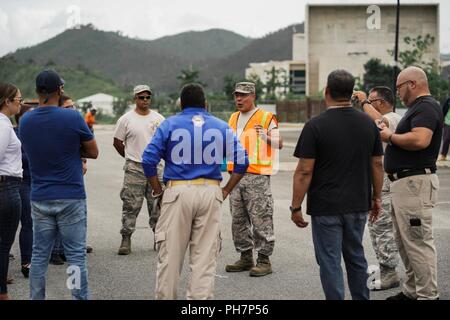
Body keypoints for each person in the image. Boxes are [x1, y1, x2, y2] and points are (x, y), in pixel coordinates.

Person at [141, 83, 248, 299]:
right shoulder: (221, 126)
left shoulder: (169, 124)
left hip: (178, 190)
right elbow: (242, 161)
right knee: (204, 259)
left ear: (181, 103)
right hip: (210, 191)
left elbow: (148, 160)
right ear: (205, 103)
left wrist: (157, 190)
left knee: (170, 256)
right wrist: (226, 189)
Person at [291, 70, 384, 300]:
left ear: (327, 92)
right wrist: (377, 197)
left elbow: (304, 170)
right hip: (357, 204)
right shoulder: (368, 124)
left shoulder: (315, 126)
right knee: (356, 256)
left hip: (326, 207)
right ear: (352, 94)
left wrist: (295, 207)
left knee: (329, 261)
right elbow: (377, 164)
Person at [19, 69, 98, 300]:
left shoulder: (26, 121)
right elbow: (93, 151)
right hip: (70, 195)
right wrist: (74, 149)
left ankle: (36, 297)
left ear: (37, 91)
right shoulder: (72, 117)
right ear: (59, 90)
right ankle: (78, 297)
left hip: (40, 196)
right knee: (75, 257)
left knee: (39, 255)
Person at [379, 66, 443, 300]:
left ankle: (427, 295)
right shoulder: (417, 108)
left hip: (414, 183)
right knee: (405, 241)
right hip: (405, 183)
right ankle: (413, 291)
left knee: (417, 241)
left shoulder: (425, 106)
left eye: (399, 88)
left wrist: (390, 137)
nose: (397, 93)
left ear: (412, 84)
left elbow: (420, 139)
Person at [225, 82, 283, 277]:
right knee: (238, 220)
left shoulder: (266, 117)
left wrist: (266, 137)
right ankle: (245, 256)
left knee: (261, 219)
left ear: (253, 96)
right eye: (237, 95)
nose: (239, 99)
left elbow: (279, 143)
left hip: (257, 176)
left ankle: (264, 260)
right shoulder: (233, 117)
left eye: (243, 95)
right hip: (235, 177)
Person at [352, 87, 402, 290]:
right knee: (376, 227)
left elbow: (380, 125)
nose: (366, 106)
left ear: (380, 103)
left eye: (371, 103)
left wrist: (364, 102)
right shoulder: (377, 119)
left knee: (382, 228)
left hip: (386, 184)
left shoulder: (392, 118)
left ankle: (390, 272)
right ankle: (386, 267)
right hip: (375, 182)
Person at [113, 85, 165, 255]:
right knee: (130, 204)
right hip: (135, 167)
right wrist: (130, 157)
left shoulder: (159, 119)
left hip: (156, 167)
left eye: (147, 97)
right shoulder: (126, 119)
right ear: (134, 98)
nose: (145, 100)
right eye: (141, 97)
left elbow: (166, 143)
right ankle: (126, 238)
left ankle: (159, 238)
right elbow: (117, 142)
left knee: (158, 204)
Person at [0, 83, 23, 300]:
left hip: (8, 185)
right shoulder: (3, 126)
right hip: (6, 186)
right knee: (4, 243)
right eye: (18, 99)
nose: (20, 102)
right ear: (7, 101)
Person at [13, 103, 35, 278]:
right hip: (21, 182)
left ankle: (38, 258)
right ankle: (26, 262)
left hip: (39, 182)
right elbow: (19, 158)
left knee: (38, 223)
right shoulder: (13, 133)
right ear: (21, 118)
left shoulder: (38, 133)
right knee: (27, 221)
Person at [438, 96, 450, 161]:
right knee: (446, 138)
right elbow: (443, 110)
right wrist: (442, 120)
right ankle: (443, 155)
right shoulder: (448, 100)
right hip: (448, 121)